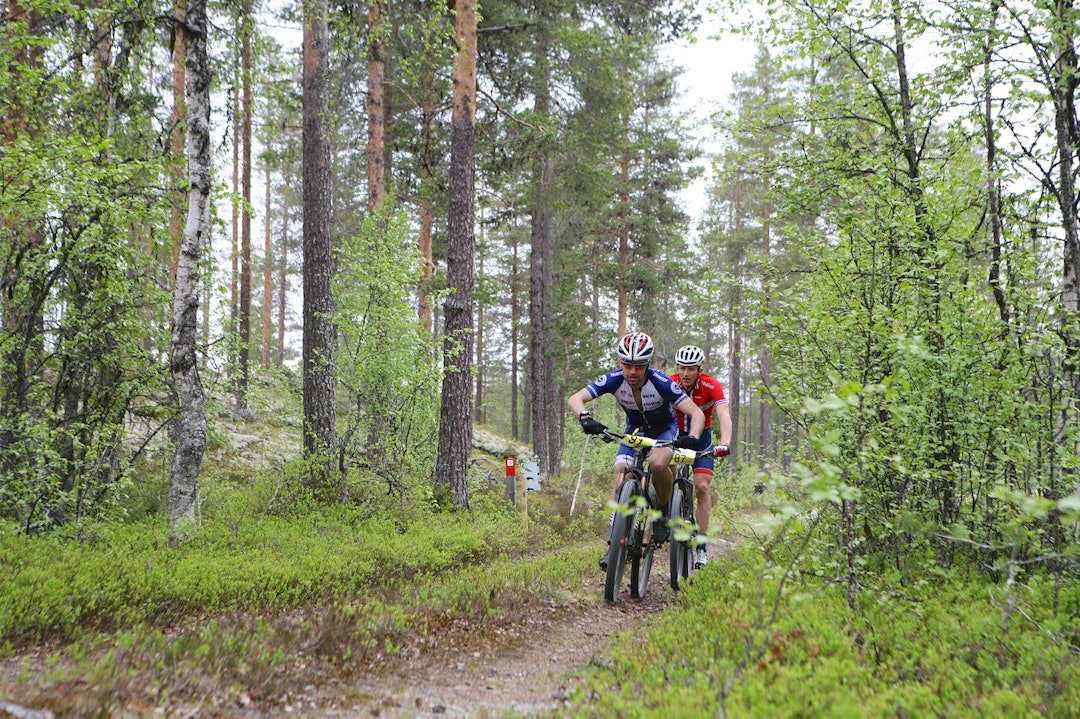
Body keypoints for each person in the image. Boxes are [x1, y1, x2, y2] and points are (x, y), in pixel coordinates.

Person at [568, 331, 705, 570]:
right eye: (627, 365)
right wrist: (585, 417)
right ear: (621, 362)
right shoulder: (613, 379)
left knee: (658, 464)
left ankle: (662, 511)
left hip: (664, 429)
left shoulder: (661, 381)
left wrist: (692, 437)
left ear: (648, 364)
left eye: (639, 366)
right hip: (635, 430)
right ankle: (614, 543)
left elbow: (697, 413)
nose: (632, 372)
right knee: (622, 472)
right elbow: (575, 398)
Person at [671, 344, 733, 569]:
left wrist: (725, 443)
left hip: (702, 440)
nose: (685, 373)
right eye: (681, 368)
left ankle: (702, 546)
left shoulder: (711, 385)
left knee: (702, 487)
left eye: (690, 369)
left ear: (700, 369)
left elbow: (723, 413)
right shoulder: (670, 382)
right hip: (675, 436)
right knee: (661, 474)